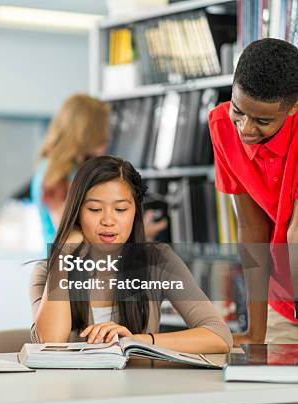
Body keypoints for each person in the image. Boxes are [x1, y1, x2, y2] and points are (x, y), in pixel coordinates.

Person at [31, 156, 231, 353]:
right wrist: (63, 256)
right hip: (72, 385)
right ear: (77, 213)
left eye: (120, 209)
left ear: (135, 212)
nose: (108, 220)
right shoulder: (46, 271)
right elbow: (52, 343)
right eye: (95, 209)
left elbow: (219, 335)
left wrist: (135, 341)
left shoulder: (157, 260)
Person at [209, 38, 298, 344]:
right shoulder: (222, 126)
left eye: (262, 120)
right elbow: (251, 227)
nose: (246, 128)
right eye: (239, 111)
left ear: (294, 107)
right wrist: (256, 332)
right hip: (283, 303)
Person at [31, 94, 167, 247]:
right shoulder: (58, 174)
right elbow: (72, 236)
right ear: (87, 132)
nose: (108, 136)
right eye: (103, 128)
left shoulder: (59, 169)